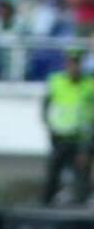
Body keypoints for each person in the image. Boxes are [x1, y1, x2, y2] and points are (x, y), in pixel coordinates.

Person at [42, 49, 94, 206]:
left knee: (81, 171)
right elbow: (45, 106)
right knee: (53, 171)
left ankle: (80, 203)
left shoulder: (89, 84)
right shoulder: (56, 81)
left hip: (81, 137)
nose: (74, 67)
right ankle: (47, 202)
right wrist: (49, 126)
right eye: (71, 63)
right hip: (59, 135)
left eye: (77, 63)